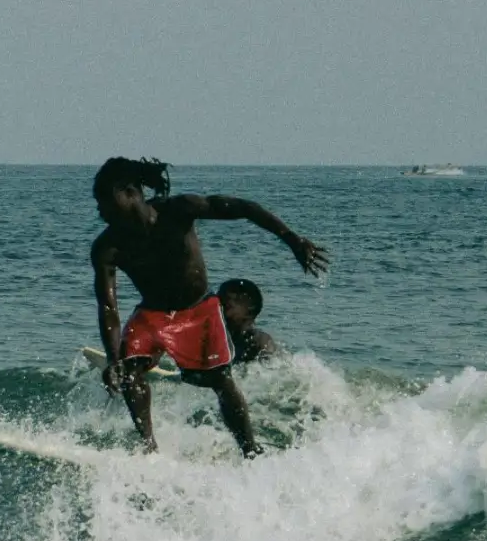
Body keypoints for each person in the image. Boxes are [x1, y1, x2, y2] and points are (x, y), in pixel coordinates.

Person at [90, 157, 328, 455]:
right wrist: (114, 358)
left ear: (129, 192)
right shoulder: (107, 248)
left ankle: (250, 451)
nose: (100, 211)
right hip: (152, 315)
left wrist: (292, 240)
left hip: (199, 310)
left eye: (104, 201)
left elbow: (243, 208)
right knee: (129, 370)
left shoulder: (179, 210)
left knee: (220, 381)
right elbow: (108, 306)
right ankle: (148, 449)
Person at [216, 278, 276, 364]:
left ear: (249, 312)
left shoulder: (260, 341)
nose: (218, 310)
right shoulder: (217, 338)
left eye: (226, 306)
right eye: (217, 305)